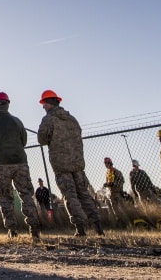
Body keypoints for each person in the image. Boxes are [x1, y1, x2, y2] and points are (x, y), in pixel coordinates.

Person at [37, 90, 103, 237]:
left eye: (44, 104)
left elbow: (41, 139)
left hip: (62, 165)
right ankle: (98, 227)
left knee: (70, 196)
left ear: (49, 103)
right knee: (84, 195)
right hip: (77, 164)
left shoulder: (48, 119)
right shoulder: (72, 119)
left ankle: (80, 228)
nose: (43, 107)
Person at [0, 92, 42, 239]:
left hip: (2, 164)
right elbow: (24, 141)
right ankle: (34, 229)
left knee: (4, 197)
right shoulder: (17, 121)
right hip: (20, 162)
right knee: (26, 195)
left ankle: (12, 230)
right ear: (8, 103)